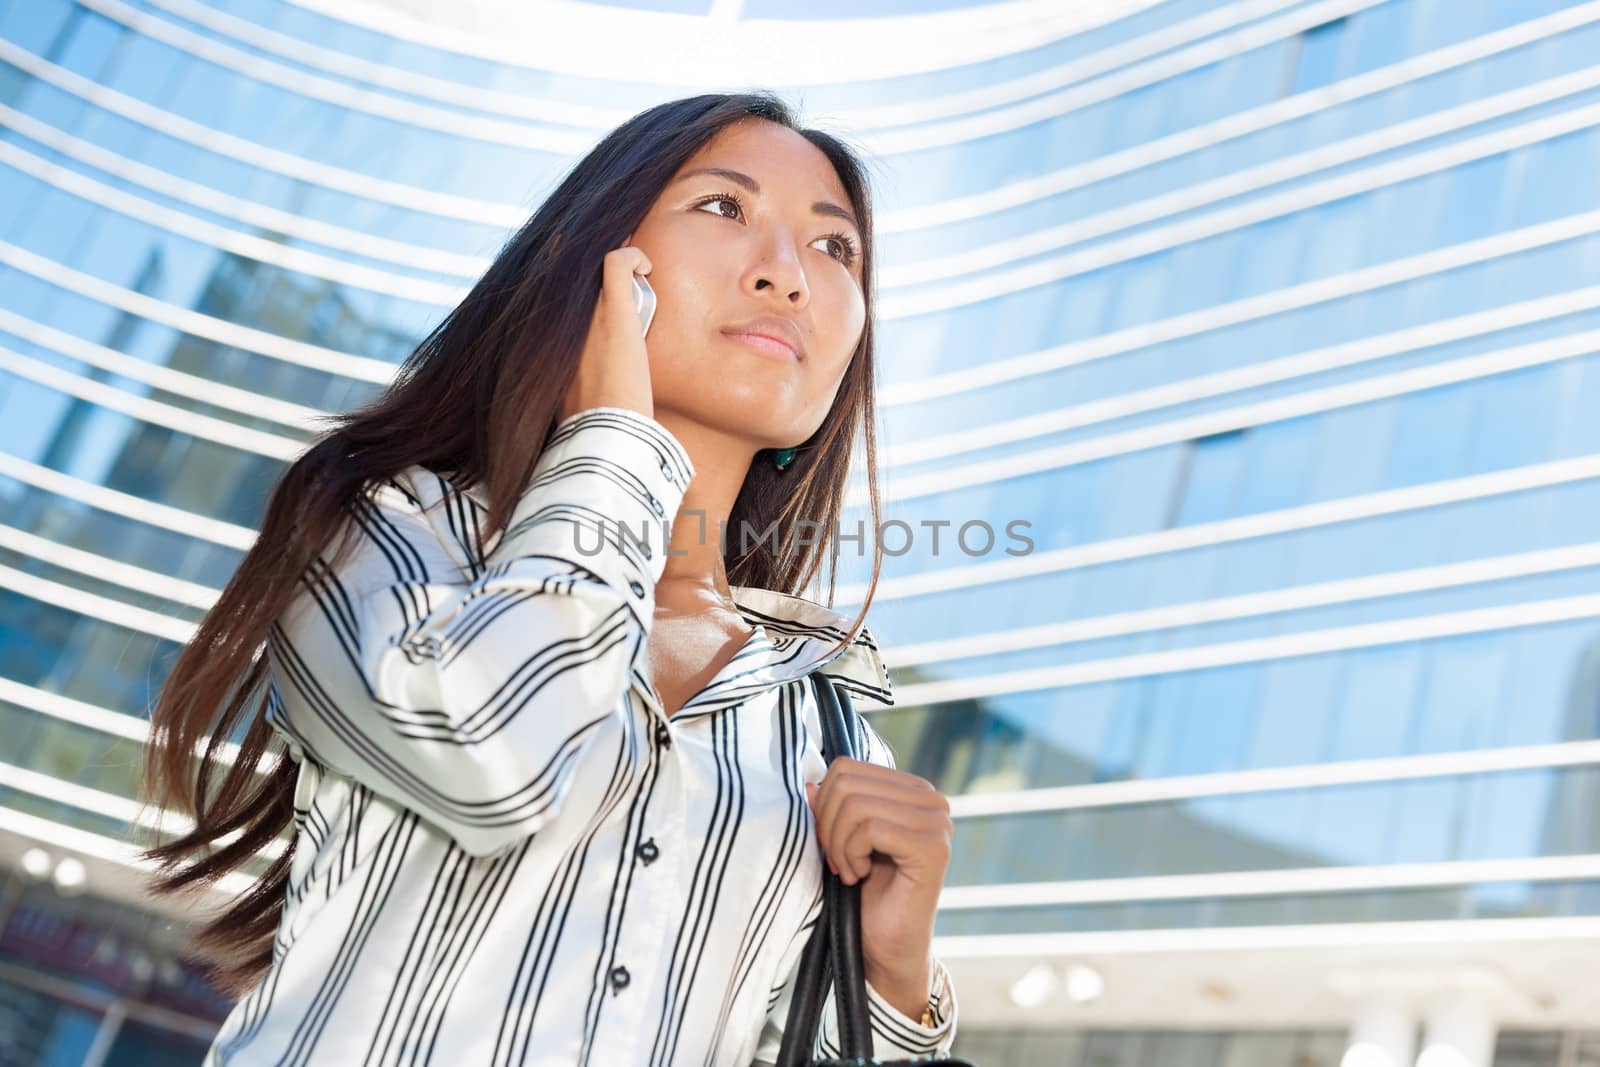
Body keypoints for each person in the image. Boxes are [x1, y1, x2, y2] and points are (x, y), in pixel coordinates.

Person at [138, 90, 958, 1065]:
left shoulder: (824, 723)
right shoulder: (392, 535)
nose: (790, 276)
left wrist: (892, 978)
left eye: (836, 249)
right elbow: (498, 760)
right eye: (725, 208)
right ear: (595, 258)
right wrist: (614, 432)